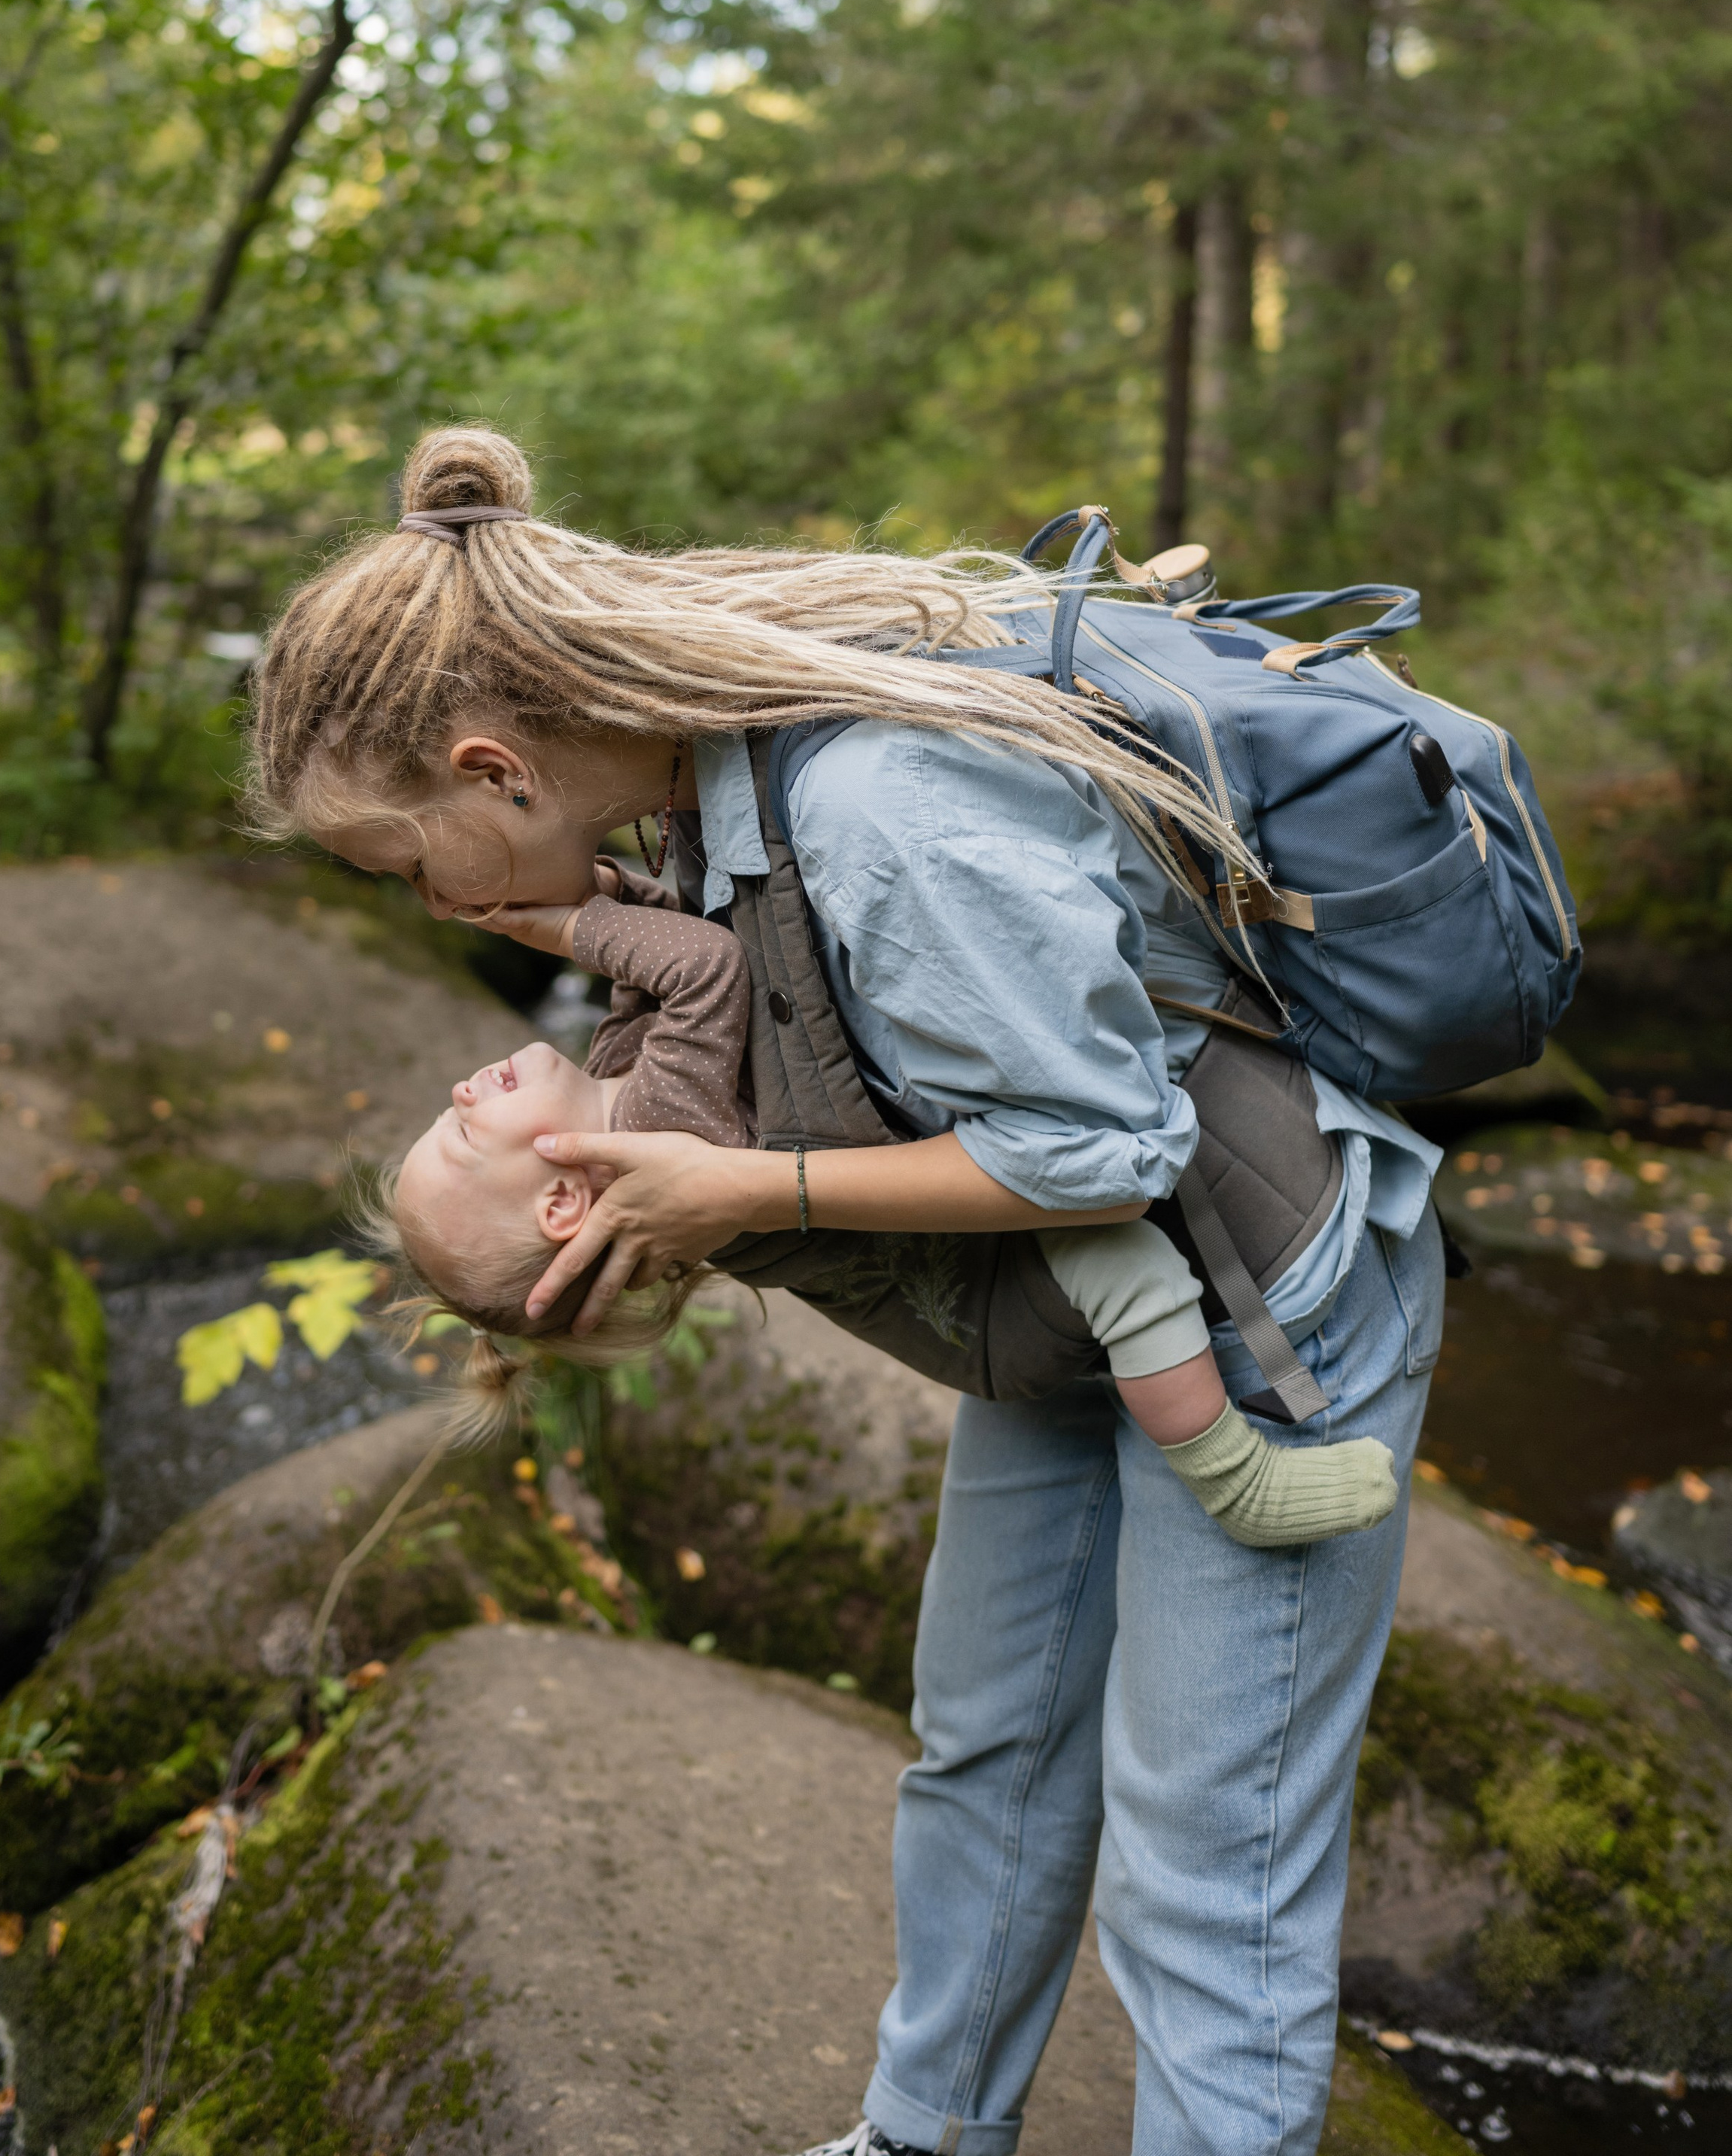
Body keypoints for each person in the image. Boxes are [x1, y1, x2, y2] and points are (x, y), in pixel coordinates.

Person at [251, 423, 1445, 2156]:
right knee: (984, 1748)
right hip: (1045, 1314)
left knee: (1207, 1862)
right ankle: (922, 2135)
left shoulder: (877, 808)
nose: (432, 905)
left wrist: (744, 1192)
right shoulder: (696, 804)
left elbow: (1105, 1152)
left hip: (1267, 1297)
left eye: (402, 864)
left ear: (493, 768)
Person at [370, 868, 1400, 1550]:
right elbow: (703, 967)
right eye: (461, 1131)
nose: (459, 1091)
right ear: (563, 1202)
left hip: (956, 1255)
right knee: (1126, 1266)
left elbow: (659, 957)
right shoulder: (655, 1128)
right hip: (997, 1288)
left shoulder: (622, 1093)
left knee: (1115, 1255)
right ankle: (1231, 1476)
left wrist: (606, 892)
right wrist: (572, 926)